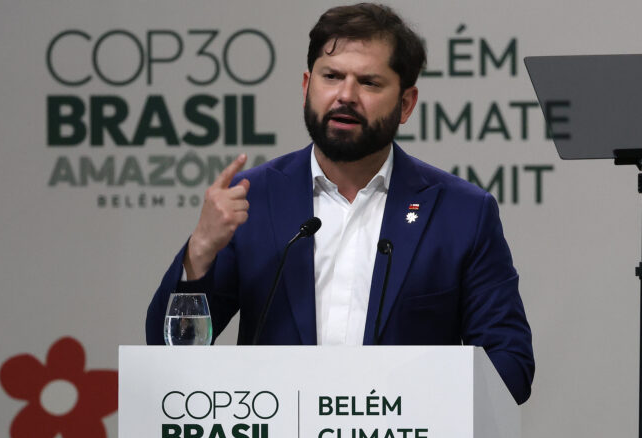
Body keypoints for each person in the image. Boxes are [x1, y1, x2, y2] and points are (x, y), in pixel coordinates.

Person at [146, 3, 534, 404]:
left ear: (406, 103)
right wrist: (200, 252)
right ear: (306, 86)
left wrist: (414, 407)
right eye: (331, 76)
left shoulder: (461, 212)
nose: (345, 96)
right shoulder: (253, 199)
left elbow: (510, 365)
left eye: (369, 82)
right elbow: (171, 353)